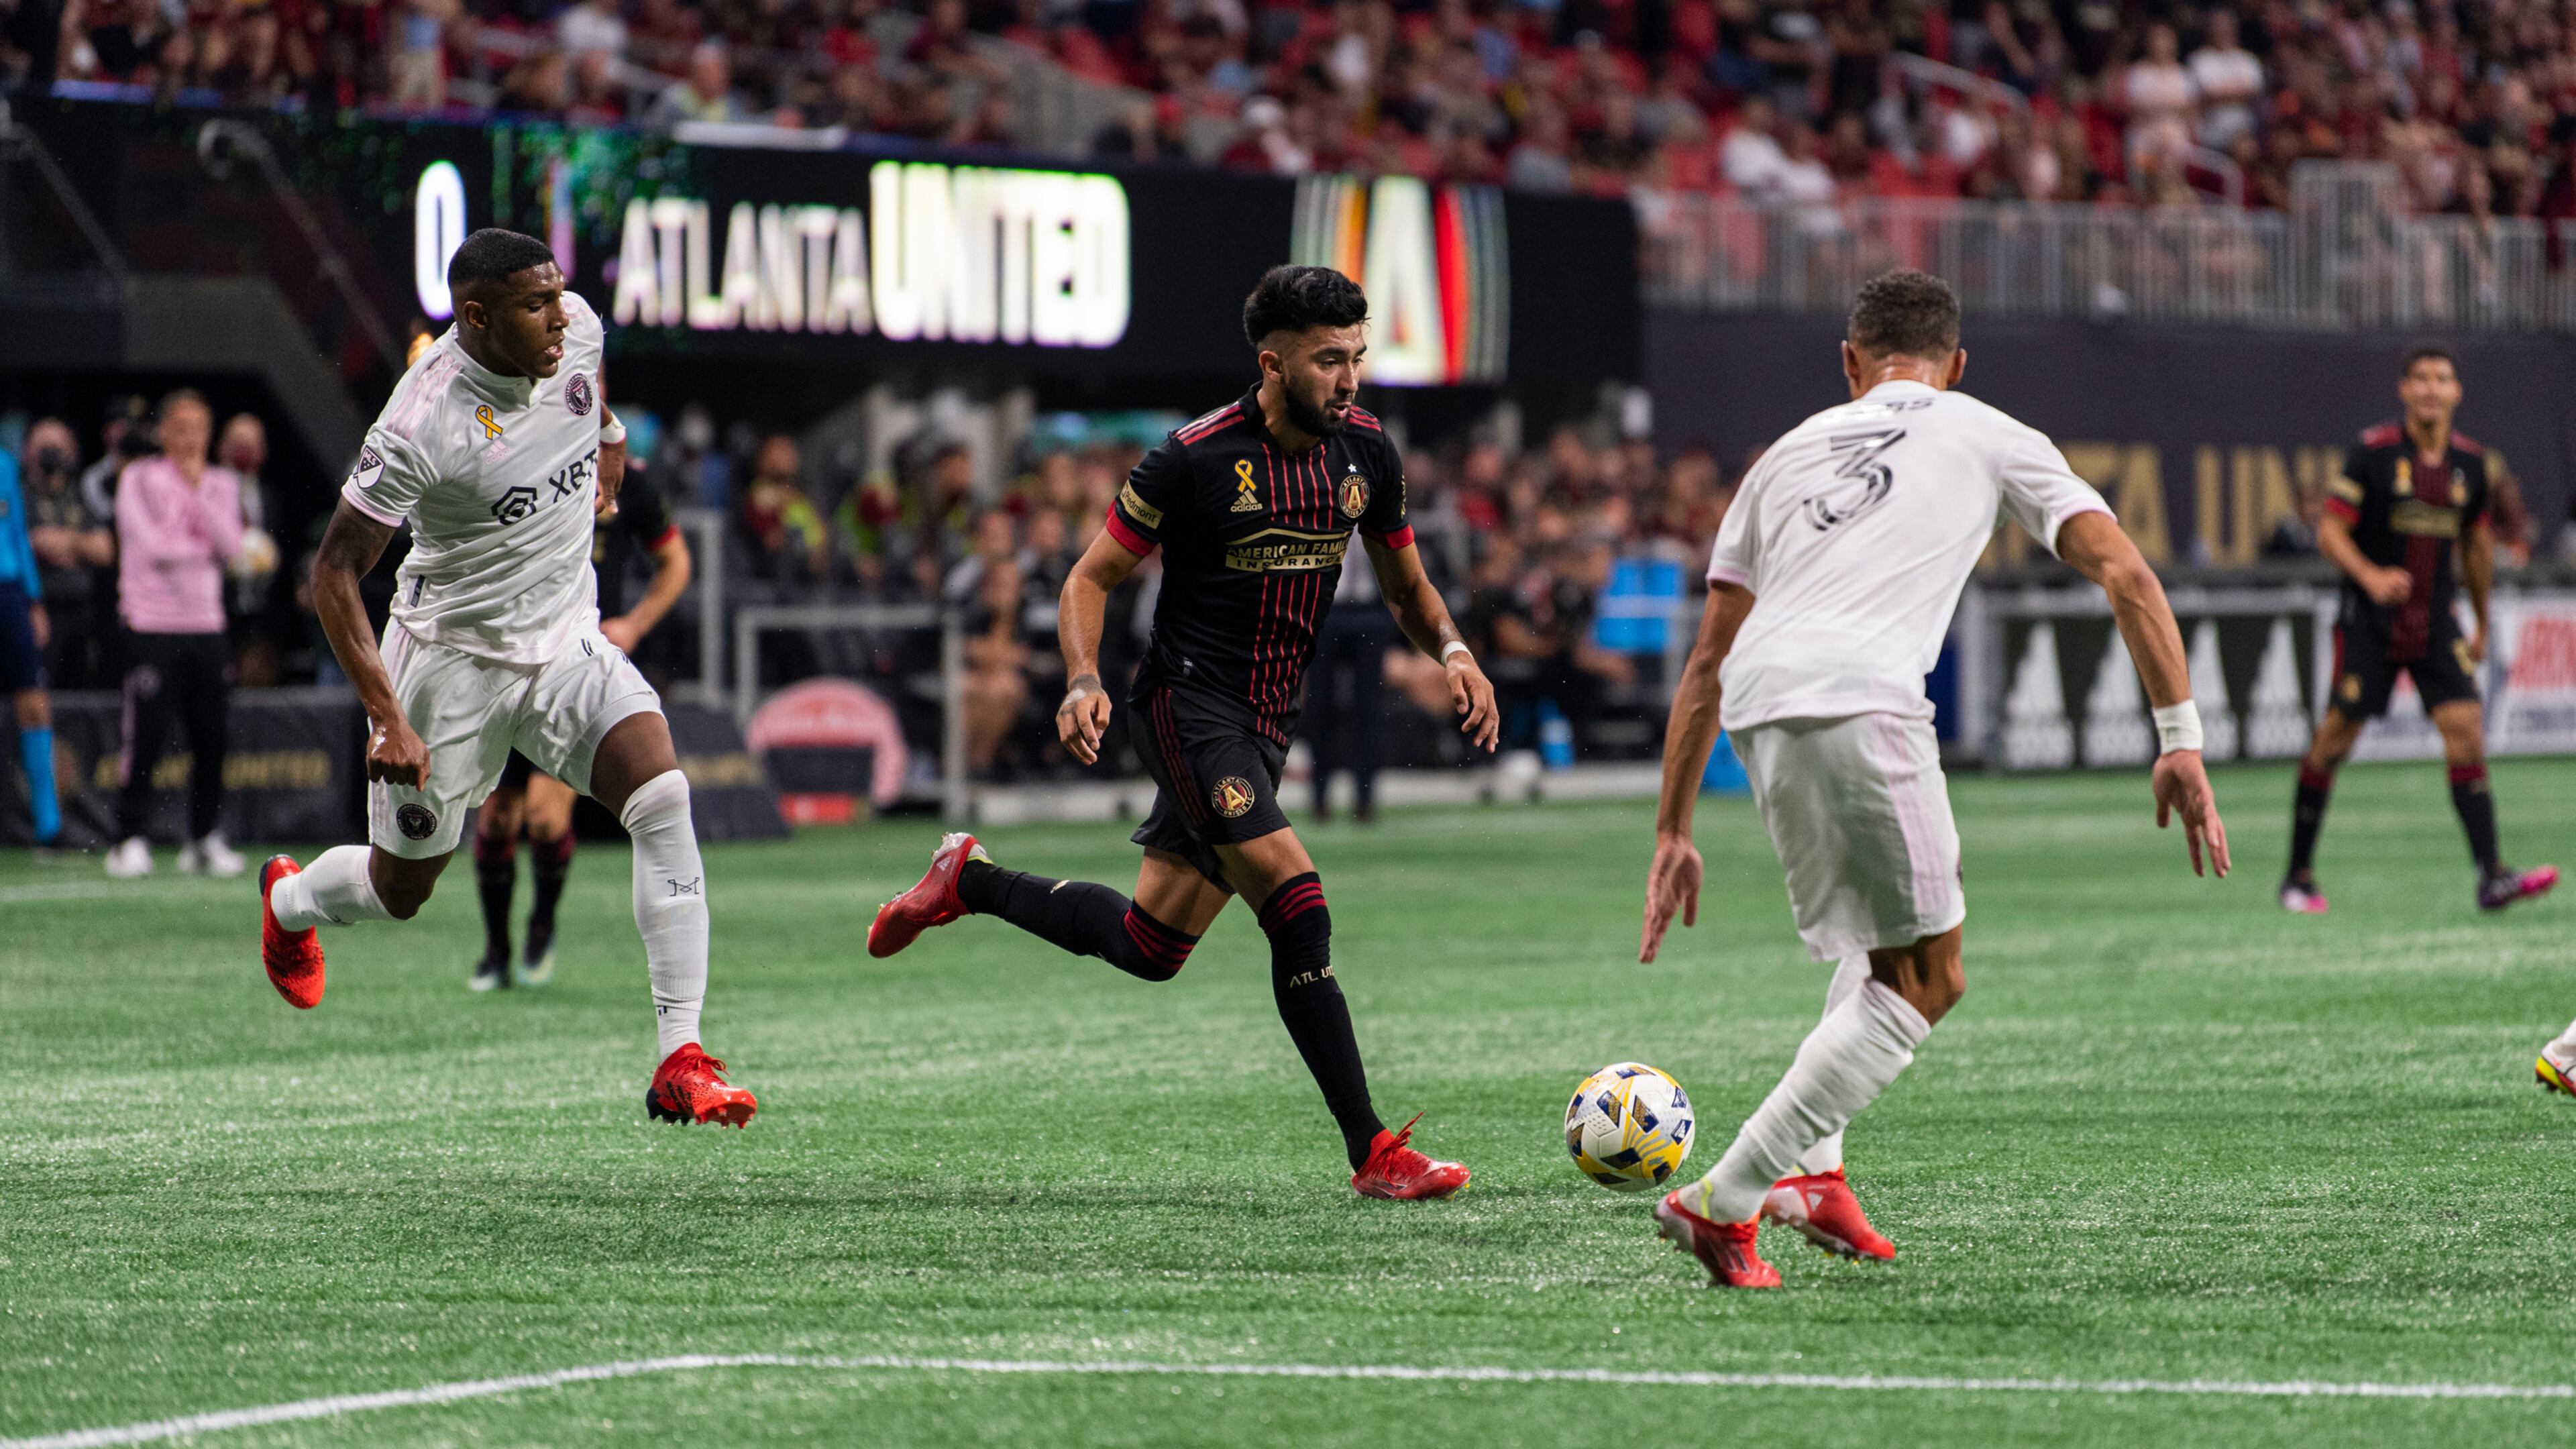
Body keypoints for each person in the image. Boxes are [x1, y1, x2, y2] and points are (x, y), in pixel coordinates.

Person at [1638, 270, 2229, 1288]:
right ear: (1956, 365)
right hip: (1865, 698)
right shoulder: (1989, 430)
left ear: (1849, 363)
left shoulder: (1782, 455)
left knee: (1886, 937)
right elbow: (2126, 573)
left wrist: (1673, 830)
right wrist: (2180, 737)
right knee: (1930, 978)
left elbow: (1705, 660)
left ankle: (1814, 1176)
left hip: (1759, 702)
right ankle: (1725, 1199)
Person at [867, 265, 1501, 1199]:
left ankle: (969, 879)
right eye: (1330, 360)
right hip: (1187, 707)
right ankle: (1374, 1150)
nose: (1350, 380)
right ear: (1273, 364)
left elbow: (1407, 588)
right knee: (1299, 903)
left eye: (1358, 358)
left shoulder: (1367, 452)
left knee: (1151, 947)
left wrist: (1454, 651)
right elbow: (1088, 579)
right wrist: (1083, 678)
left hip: (1267, 725)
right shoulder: (1194, 457)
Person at [256, 228, 755, 1128]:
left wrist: (609, 434)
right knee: (401, 891)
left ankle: (680, 1058)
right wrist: (386, 717)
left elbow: (588, 389)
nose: (560, 316)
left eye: (558, 294)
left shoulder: (578, 332)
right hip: (450, 661)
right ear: (477, 317)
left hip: (564, 641)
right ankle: (290, 902)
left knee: (663, 796)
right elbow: (333, 573)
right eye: (536, 304)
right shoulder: (422, 420)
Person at [2279, 348, 2557, 917]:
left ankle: (2492, 876)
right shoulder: (2374, 453)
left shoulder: (2472, 464)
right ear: (2404, 389)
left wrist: (2482, 620)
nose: (2432, 389)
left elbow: (2475, 547)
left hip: (2435, 621)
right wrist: (2371, 576)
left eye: (2442, 379)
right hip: (2370, 621)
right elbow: (2331, 532)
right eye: (2422, 379)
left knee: (2467, 732)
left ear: (2457, 392)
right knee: (2333, 742)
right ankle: (2298, 876)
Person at [468, 456, 694, 991]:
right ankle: (496, 949)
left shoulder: (627, 478)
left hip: (575, 668)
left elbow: (676, 561)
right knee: (497, 819)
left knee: (545, 819)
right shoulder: (525, 455)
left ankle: (541, 928)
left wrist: (634, 624)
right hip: (507, 663)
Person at [107, 390, 246, 880]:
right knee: (145, 737)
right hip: (151, 624)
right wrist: (199, 545)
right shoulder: (138, 478)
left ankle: (203, 839)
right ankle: (128, 839)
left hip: (207, 625)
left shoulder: (222, 483)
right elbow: (153, 547)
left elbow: (233, 547)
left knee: (212, 738)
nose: (191, 440)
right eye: (181, 429)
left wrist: (198, 494)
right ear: (163, 432)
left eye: (199, 429)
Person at [0, 435, 60, 847]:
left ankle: (49, 828)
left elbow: (18, 531)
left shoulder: (5, 463)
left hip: (9, 593)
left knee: (35, 704)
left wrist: (34, 599)